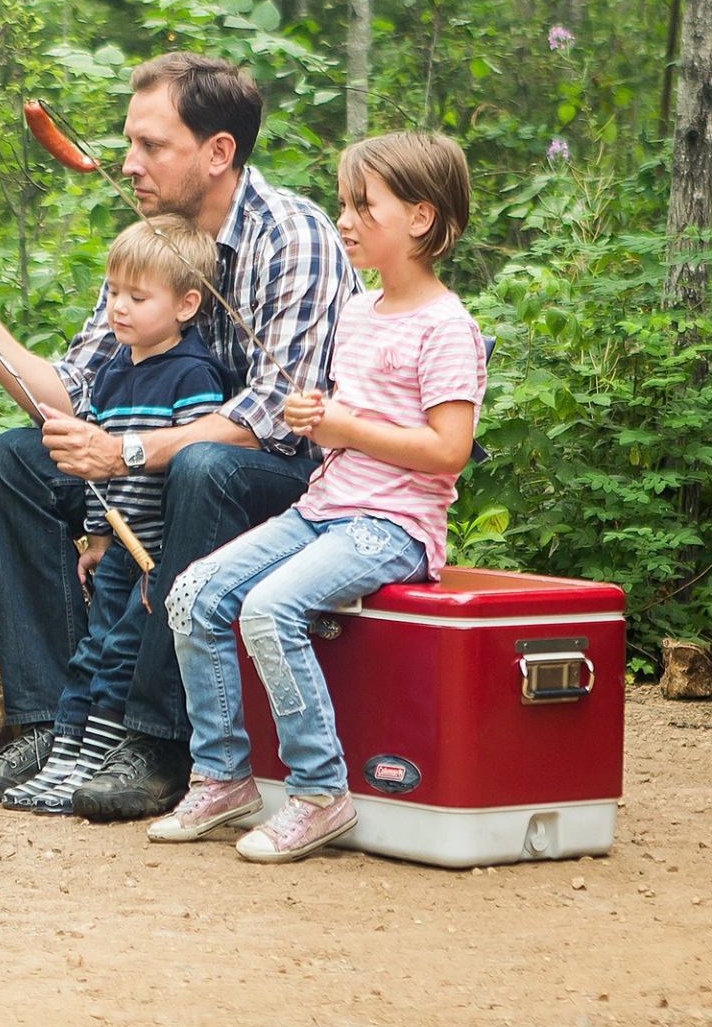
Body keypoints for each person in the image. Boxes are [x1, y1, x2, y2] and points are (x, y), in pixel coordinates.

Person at [0, 51, 357, 820]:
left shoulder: (294, 239)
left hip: (282, 489)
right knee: (14, 458)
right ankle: (55, 723)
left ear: (218, 152)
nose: (128, 163)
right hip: (159, 473)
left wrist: (128, 454)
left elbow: (274, 417)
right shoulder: (153, 244)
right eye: (129, 143)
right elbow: (69, 395)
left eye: (152, 145)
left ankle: (156, 739)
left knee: (203, 466)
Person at [149, 131, 484, 861]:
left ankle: (319, 792)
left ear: (420, 219)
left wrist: (345, 425)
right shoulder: (359, 310)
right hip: (323, 510)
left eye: (364, 206)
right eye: (343, 203)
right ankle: (223, 778)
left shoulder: (447, 326)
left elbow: (448, 450)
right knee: (195, 594)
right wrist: (319, 418)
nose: (346, 220)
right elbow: (345, 420)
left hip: (392, 526)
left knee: (269, 611)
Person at [0, 214, 227, 815]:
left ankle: (99, 761)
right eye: (115, 293)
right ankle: (67, 762)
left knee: (122, 653)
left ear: (186, 304)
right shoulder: (114, 371)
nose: (118, 309)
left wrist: (169, 563)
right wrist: (97, 537)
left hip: (159, 550)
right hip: (123, 546)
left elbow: (192, 468)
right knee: (94, 650)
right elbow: (98, 465)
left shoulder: (193, 375)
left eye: (136, 297)